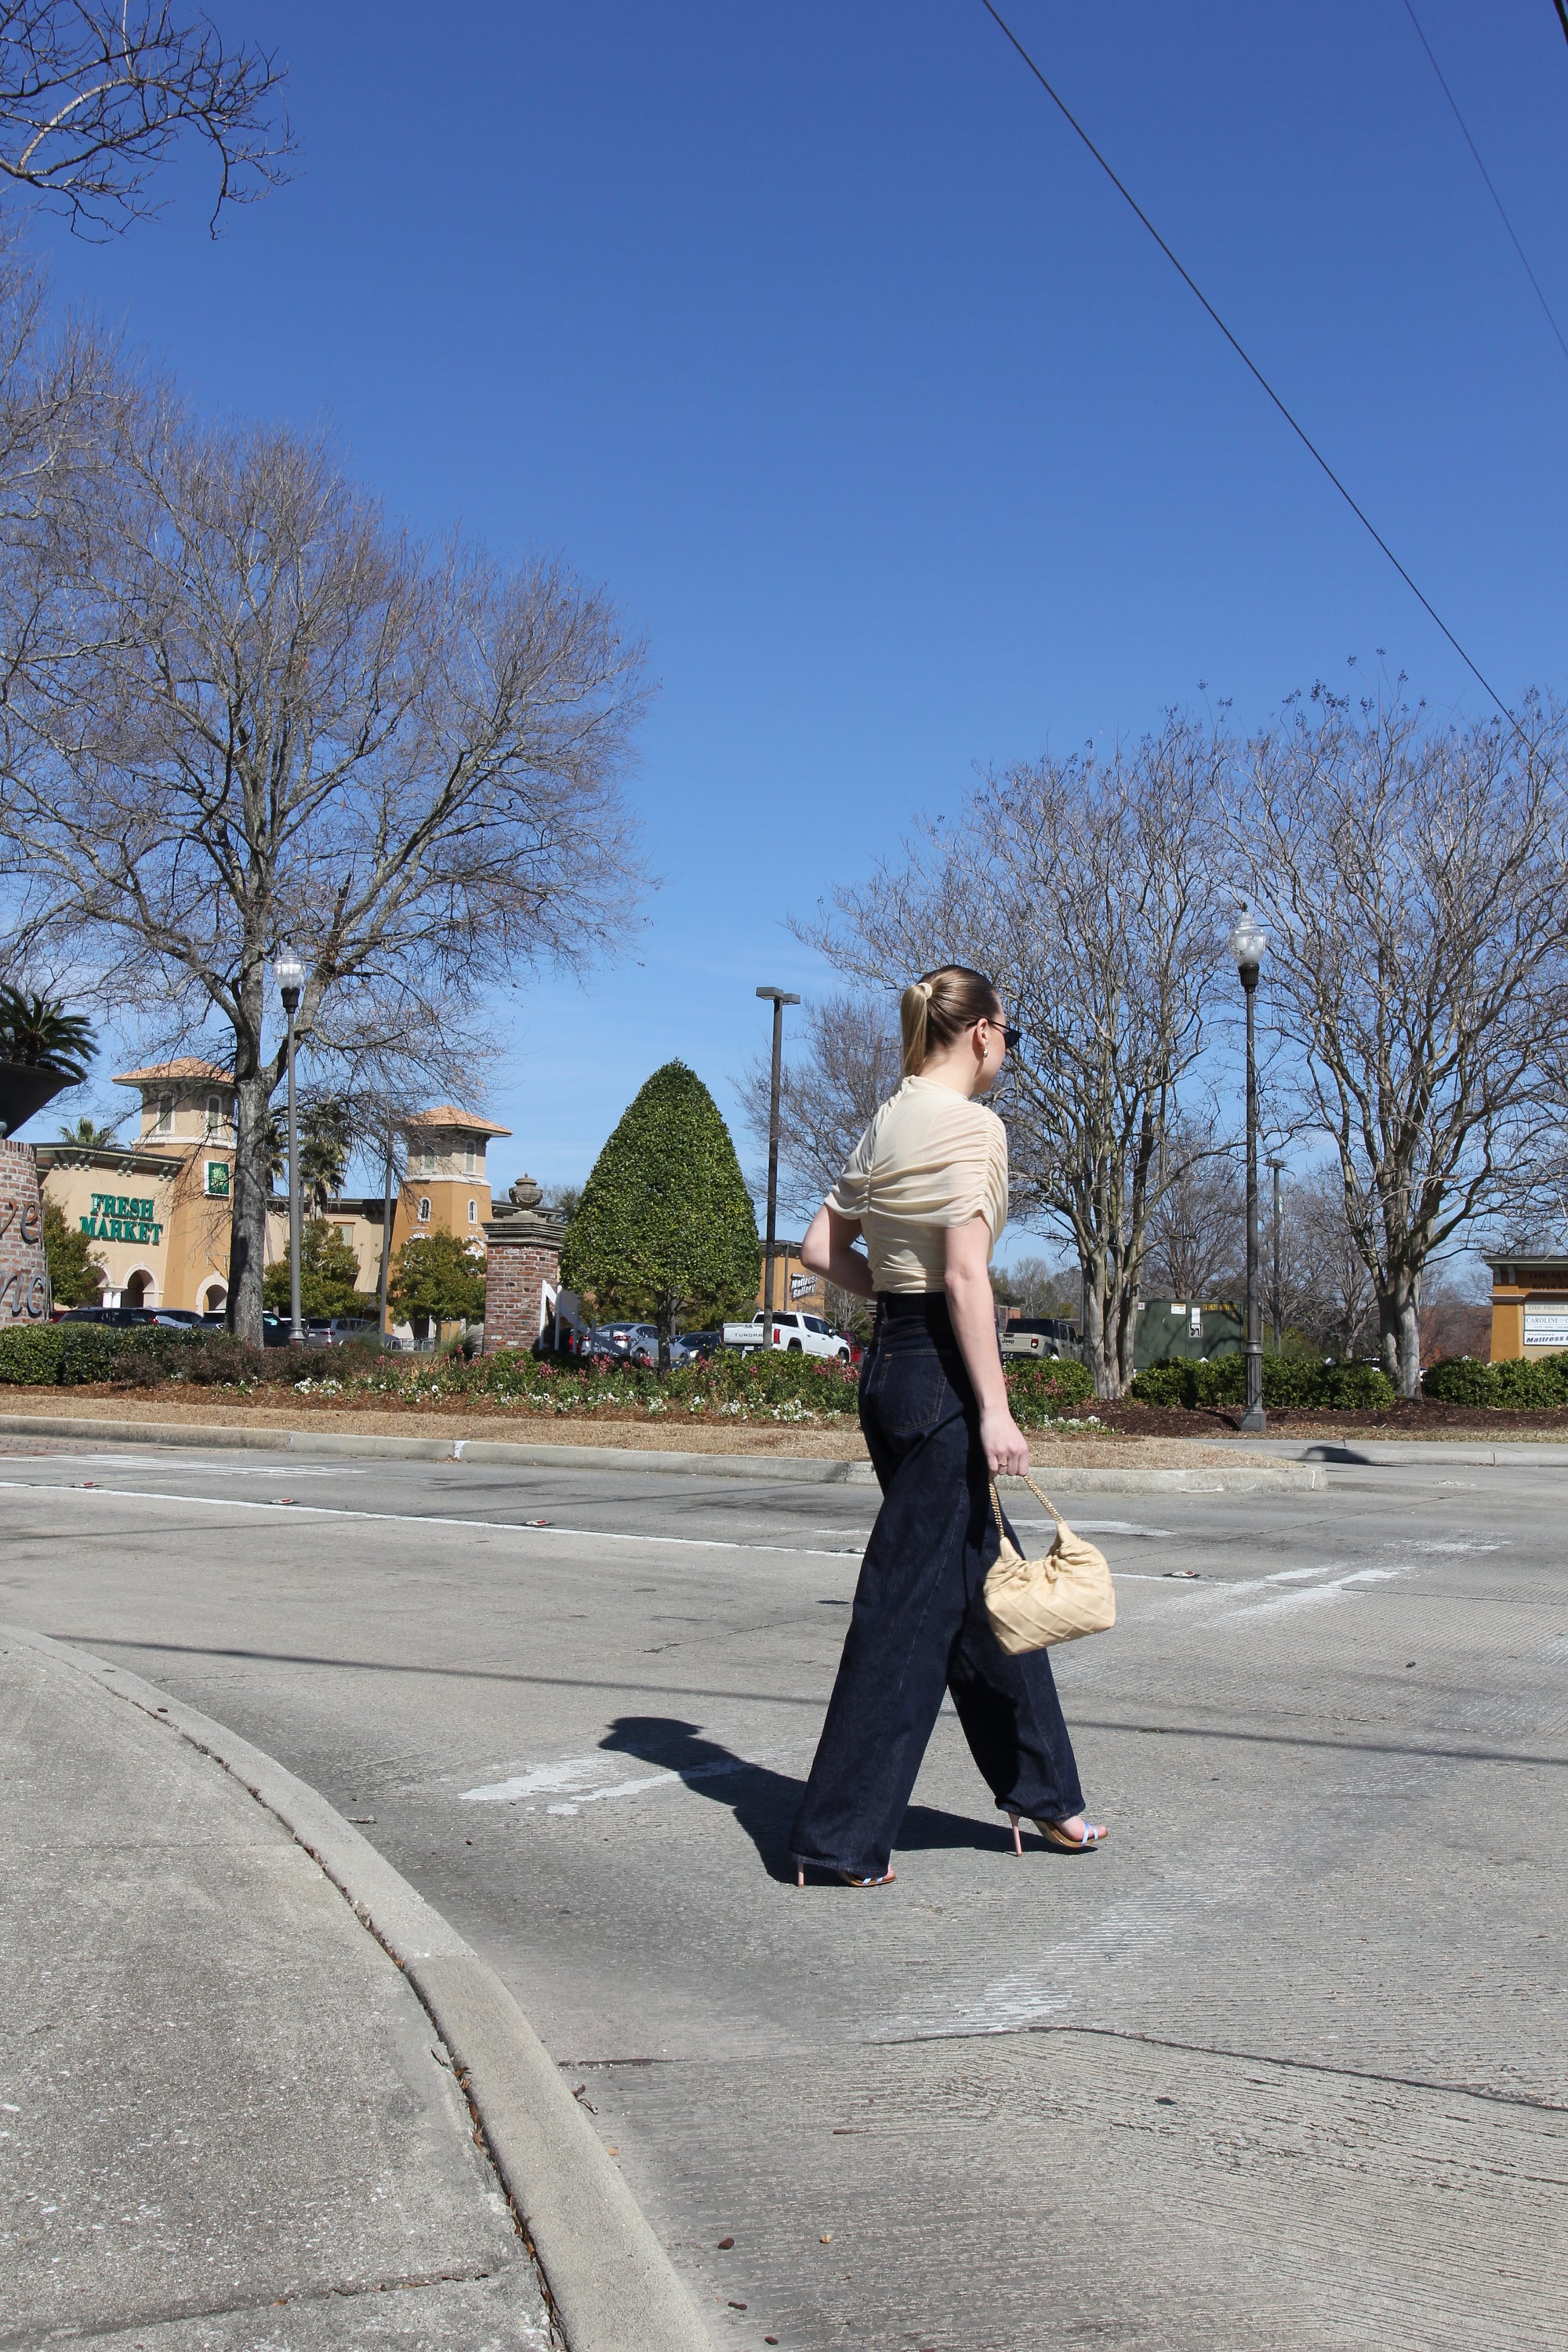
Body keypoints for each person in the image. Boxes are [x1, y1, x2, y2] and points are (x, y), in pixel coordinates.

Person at [790, 964, 1105, 1888]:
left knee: (974, 1587)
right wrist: (997, 1409)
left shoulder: (888, 1118)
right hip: (940, 1376)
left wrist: (895, 1296)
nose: (1006, 1046)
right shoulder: (972, 1128)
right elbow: (967, 1279)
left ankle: (1046, 1797)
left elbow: (817, 1250)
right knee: (906, 1608)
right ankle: (838, 1842)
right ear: (979, 1032)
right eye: (1007, 1031)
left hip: (890, 1368)